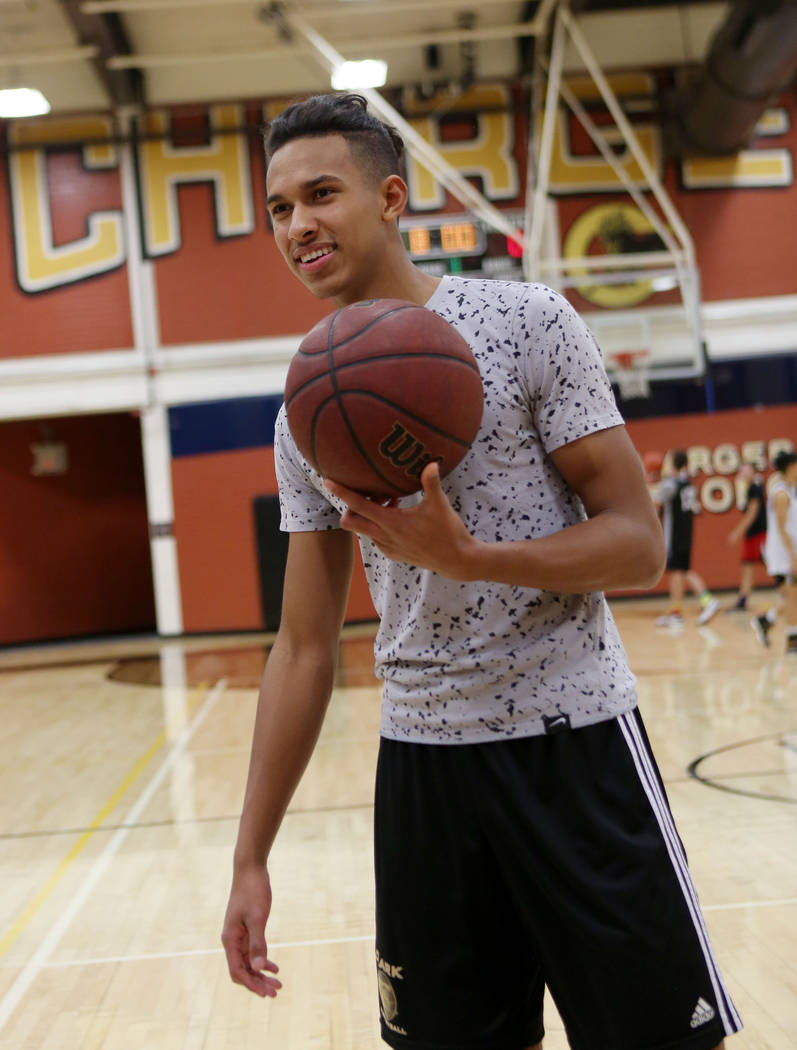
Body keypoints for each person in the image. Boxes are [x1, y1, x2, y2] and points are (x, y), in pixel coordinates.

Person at [222, 93, 741, 1050]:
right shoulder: (306, 407)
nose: (298, 226)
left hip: (574, 745)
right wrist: (249, 856)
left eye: (320, 194)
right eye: (279, 209)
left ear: (390, 196)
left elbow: (636, 542)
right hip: (424, 774)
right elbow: (301, 648)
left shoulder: (524, 322)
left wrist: (471, 557)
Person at [652, 450, 720, 628]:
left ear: (672, 463)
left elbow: (653, 502)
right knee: (682, 571)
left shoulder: (670, 484)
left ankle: (705, 601)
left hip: (674, 534)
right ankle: (678, 611)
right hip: (686, 532)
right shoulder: (688, 484)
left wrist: (648, 480)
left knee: (678, 572)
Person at [752, 450, 797, 653]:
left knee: (791, 596)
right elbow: (781, 527)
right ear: (790, 467)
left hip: (789, 552)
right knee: (792, 596)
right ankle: (792, 640)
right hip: (783, 555)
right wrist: (793, 555)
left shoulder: (790, 490)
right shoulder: (781, 494)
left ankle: (766, 620)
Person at [726, 463, 767, 612]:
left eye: (746, 470)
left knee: (773, 566)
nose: (742, 473)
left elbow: (752, 513)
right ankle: (742, 600)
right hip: (752, 535)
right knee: (747, 566)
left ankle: (788, 592)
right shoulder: (750, 488)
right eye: (741, 471)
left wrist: (737, 531)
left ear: (753, 472)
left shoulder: (755, 488)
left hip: (759, 534)